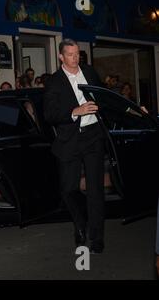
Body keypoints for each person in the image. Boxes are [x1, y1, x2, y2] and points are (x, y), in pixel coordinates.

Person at [44, 38, 106, 254]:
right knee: (68, 189)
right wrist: (75, 111)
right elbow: (49, 115)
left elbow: (104, 97)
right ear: (61, 56)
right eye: (70, 54)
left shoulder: (89, 72)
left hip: (93, 136)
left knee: (96, 189)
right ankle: (80, 224)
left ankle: (97, 237)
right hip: (70, 139)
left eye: (77, 53)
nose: (75, 57)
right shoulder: (54, 81)